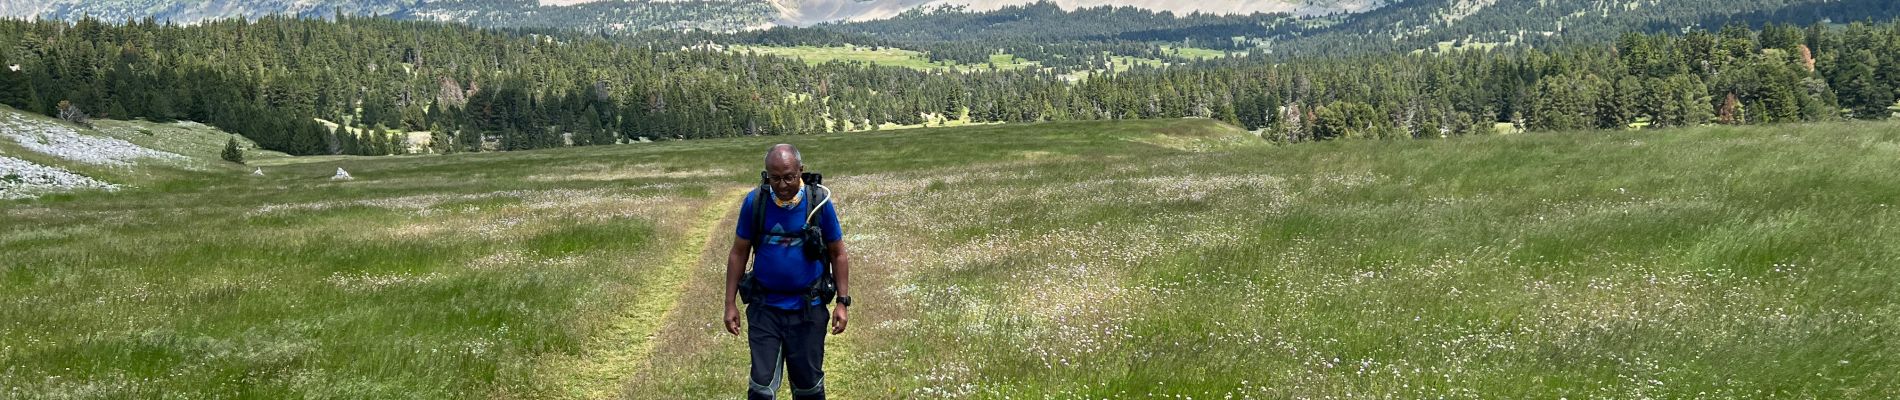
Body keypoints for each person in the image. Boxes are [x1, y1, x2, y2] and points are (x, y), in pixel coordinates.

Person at [724, 143, 852, 400]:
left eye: (789, 177)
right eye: (775, 178)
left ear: (801, 171)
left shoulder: (819, 202)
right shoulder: (755, 201)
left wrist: (842, 303)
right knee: (761, 387)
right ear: (766, 175)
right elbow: (739, 252)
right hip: (765, 308)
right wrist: (730, 304)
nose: (782, 185)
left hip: (808, 309)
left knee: (808, 387)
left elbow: (838, 253)